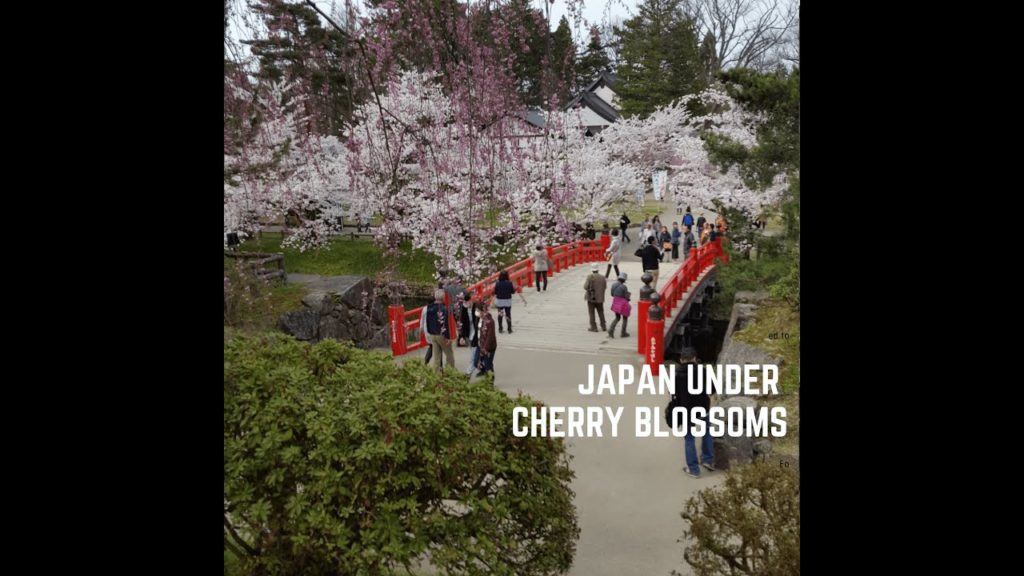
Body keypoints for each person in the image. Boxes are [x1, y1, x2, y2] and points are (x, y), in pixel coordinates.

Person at [667, 348, 715, 478]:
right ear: (695, 358)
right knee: (707, 433)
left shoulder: (676, 374)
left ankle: (693, 469)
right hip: (703, 408)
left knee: (689, 439)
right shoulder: (704, 371)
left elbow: (673, 395)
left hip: (686, 410)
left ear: (681, 360)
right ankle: (708, 461)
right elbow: (712, 390)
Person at [425, 289, 456, 372]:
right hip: (441, 334)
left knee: (437, 357)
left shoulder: (429, 307)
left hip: (433, 334)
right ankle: (450, 373)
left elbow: (427, 321)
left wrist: (429, 332)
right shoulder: (443, 308)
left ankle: (436, 375)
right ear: (442, 297)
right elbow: (444, 324)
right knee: (449, 355)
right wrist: (448, 337)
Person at [583, 264, 607, 332]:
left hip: (591, 298)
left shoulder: (589, 277)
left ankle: (593, 327)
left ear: (592, 270)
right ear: (598, 270)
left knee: (591, 312)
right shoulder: (603, 277)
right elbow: (605, 287)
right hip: (600, 298)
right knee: (601, 311)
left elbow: (585, 287)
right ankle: (603, 326)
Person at [476, 300, 498, 377]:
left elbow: (490, 337)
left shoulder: (490, 321)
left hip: (488, 347)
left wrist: (485, 349)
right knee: (476, 361)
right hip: (480, 344)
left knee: (489, 365)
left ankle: (490, 382)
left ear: (483, 311)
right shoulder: (479, 319)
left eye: (478, 310)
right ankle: (483, 371)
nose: (477, 312)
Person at [607, 272, 631, 338]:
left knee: (617, 318)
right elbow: (626, 297)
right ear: (624, 280)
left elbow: (612, 294)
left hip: (615, 302)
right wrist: (628, 297)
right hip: (622, 303)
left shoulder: (613, 285)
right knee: (625, 317)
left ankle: (611, 330)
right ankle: (623, 333)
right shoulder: (624, 287)